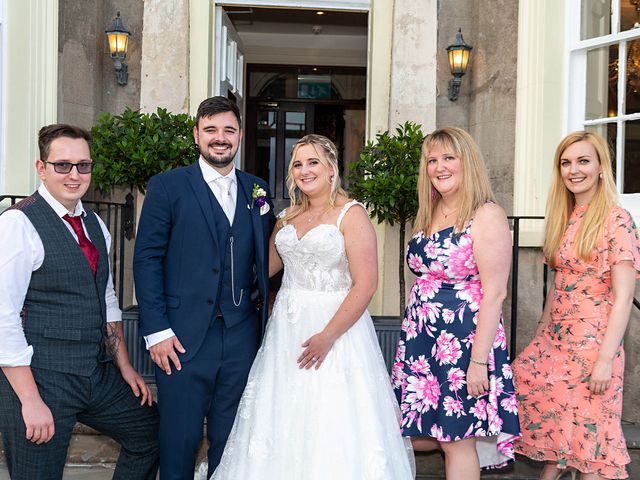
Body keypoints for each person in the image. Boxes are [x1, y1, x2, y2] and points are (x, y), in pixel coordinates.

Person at [210, 134, 414, 479]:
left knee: (329, 415)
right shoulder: (287, 217)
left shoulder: (351, 214)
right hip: (286, 331)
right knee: (283, 412)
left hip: (336, 330)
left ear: (332, 168)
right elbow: (259, 269)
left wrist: (328, 336)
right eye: (298, 164)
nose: (304, 171)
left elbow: (366, 285)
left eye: (313, 162)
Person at [0, 124, 159, 480]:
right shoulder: (17, 224)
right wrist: (29, 400)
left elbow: (106, 297)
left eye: (83, 165)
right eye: (63, 165)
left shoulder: (95, 224)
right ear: (42, 168)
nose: (75, 175)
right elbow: (3, 317)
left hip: (94, 372)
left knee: (149, 431)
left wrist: (125, 366)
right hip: (41, 377)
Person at [133, 96, 276, 479]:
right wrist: (157, 331)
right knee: (178, 441)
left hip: (242, 335)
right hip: (179, 339)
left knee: (232, 443)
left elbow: (268, 261)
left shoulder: (257, 190)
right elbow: (146, 260)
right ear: (196, 135)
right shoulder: (167, 186)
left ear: (240, 136)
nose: (220, 138)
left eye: (229, 130)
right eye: (211, 130)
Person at [391, 127, 521, 478]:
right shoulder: (429, 211)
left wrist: (479, 362)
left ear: (468, 162)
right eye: (432, 160)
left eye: (449, 157)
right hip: (423, 340)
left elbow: (495, 292)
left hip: (463, 343)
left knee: (456, 439)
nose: (439, 167)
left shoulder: (486, 214)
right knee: (424, 431)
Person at [512, 131, 639, 480]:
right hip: (556, 344)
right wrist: (540, 337)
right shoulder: (564, 217)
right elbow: (558, 284)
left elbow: (624, 296)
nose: (574, 170)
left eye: (583, 161)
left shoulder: (617, 220)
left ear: (601, 167)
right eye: (566, 163)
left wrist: (604, 360)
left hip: (594, 345)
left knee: (592, 450)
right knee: (559, 438)